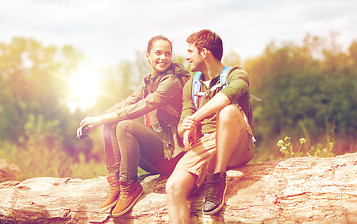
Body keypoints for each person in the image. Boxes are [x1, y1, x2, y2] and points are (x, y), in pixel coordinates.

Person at [76, 35, 190, 217]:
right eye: (158, 53)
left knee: (125, 126)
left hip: (174, 156)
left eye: (167, 54)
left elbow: (141, 107)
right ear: (147, 55)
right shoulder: (148, 82)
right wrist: (98, 119)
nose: (163, 58)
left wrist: (101, 119)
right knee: (110, 124)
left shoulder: (172, 82)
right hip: (157, 155)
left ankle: (130, 187)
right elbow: (128, 102)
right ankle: (116, 183)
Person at [166, 29, 255, 223]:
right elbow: (185, 120)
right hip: (206, 144)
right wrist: (186, 128)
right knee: (173, 186)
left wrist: (195, 118)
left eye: (190, 51)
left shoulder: (237, 74)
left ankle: (218, 177)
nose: (187, 57)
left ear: (204, 52)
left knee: (228, 111)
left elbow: (227, 97)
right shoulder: (191, 85)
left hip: (238, 143)